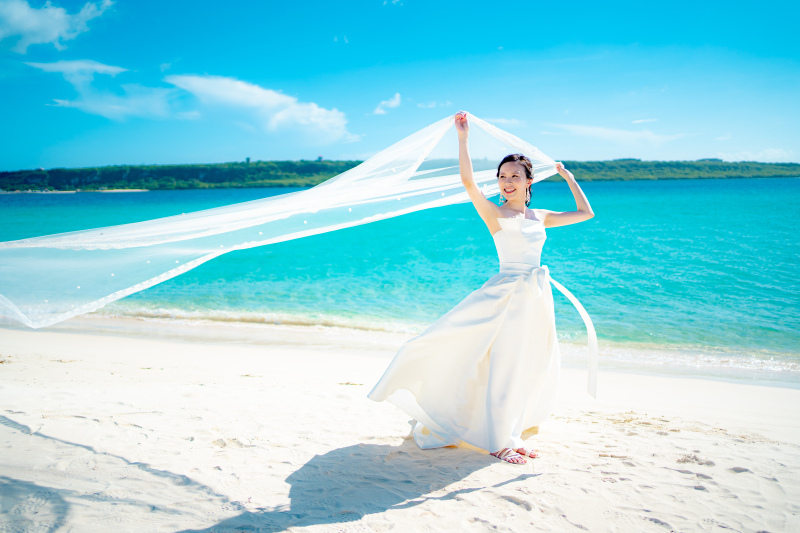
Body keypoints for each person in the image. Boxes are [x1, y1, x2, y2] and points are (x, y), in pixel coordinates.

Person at [368, 111, 595, 465]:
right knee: (501, 365)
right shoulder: (494, 213)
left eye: (514, 177)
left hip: (535, 299)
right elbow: (468, 182)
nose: (507, 183)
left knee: (525, 366)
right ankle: (497, 441)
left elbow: (586, 213)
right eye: (503, 177)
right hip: (504, 296)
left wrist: (567, 176)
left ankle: (510, 433)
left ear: (528, 181)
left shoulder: (542, 216)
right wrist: (463, 139)